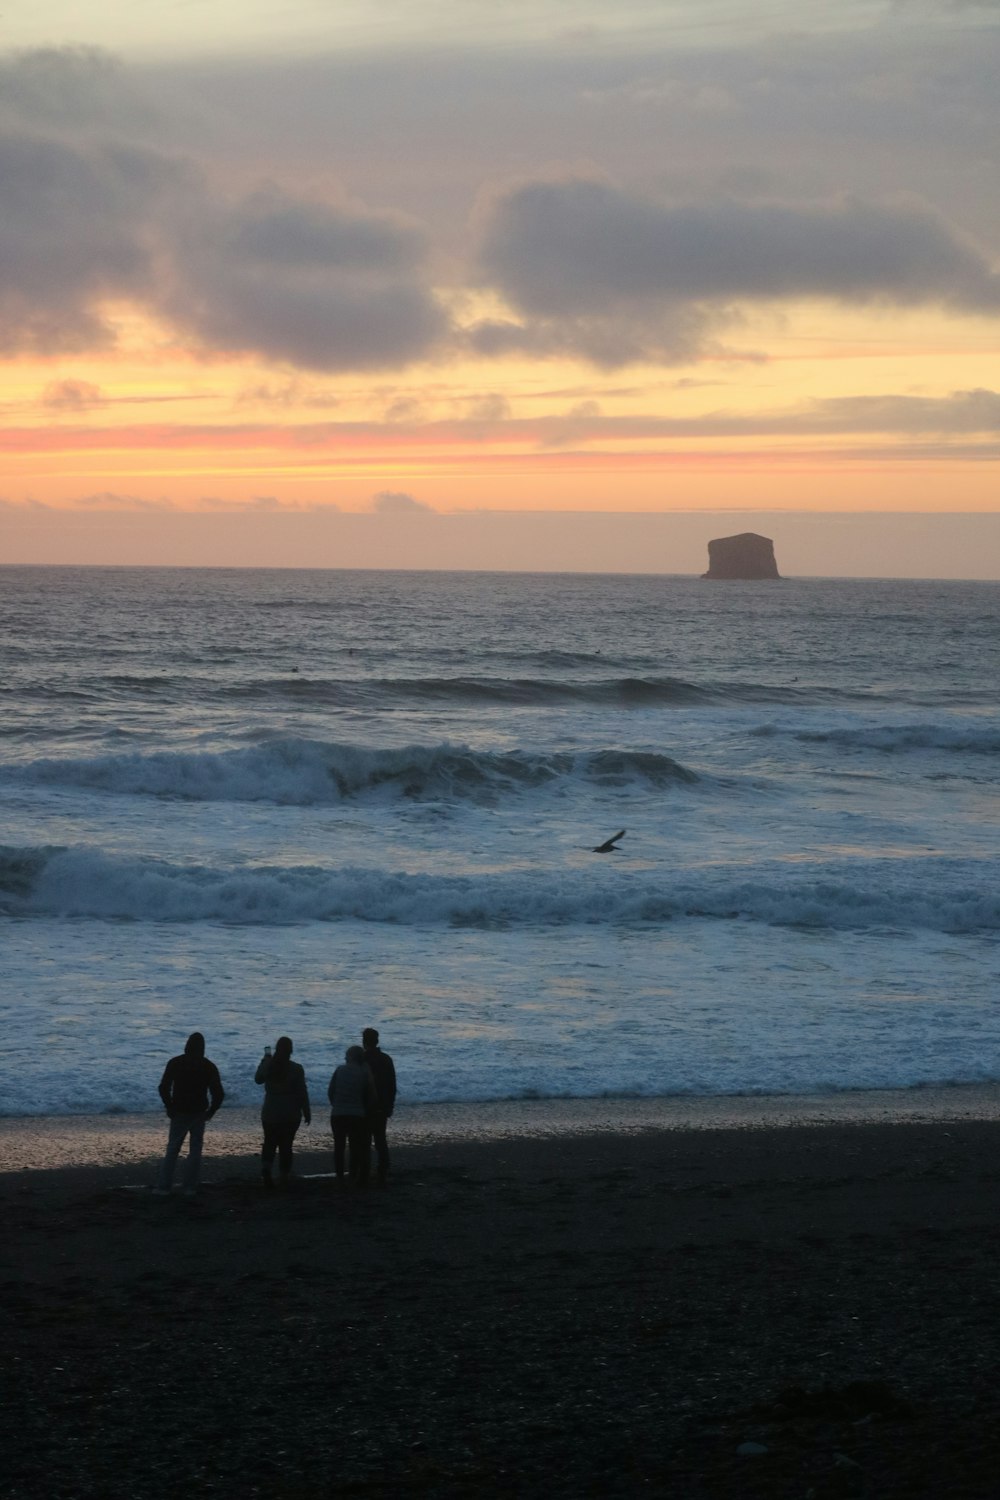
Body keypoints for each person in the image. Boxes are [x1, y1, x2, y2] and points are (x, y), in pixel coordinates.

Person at [155, 1032, 225, 1196]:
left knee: (173, 1148)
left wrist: (169, 1106)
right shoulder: (208, 1066)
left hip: (179, 1110)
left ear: (187, 1045)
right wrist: (212, 1111)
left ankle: (164, 1186)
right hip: (199, 1111)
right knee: (195, 1149)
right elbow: (218, 1093)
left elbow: (163, 1087)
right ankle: (189, 1186)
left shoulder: (175, 1062)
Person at [255, 1035, 311, 1189]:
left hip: (271, 1111)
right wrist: (306, 1110)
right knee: (286, 1145)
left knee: (269, 1142)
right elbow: (302, 1092)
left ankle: (266, 1170)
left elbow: (257, 1079)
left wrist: (264, 1061)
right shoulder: (296, 1068)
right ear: (291, 1050)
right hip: (290, 1112)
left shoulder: (269, 1065)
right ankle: (284, 1177)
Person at [327, 1045, 377, 1185]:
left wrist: (337, 1105)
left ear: (351, 1057)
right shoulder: (364, 1072)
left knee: (339, 1147)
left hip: (338, 1114)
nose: (344, 1057)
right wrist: (365, 1109)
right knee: (355, 1145)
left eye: (347, 1055)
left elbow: (331, 1091)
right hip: (357, 1114)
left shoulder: (339, 1070)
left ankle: (339, 1176)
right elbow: (372, 1095)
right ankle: (353, 1174)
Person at [362, 1027, 397, 1184]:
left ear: (364, 1042)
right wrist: (390, 1105)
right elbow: (392, 1085)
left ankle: (365, 1170)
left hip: (365, 1105)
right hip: (382, 1104)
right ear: (377, 1041)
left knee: (364, 1139)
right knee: (380, 1138)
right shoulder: (386, 1059)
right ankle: (383, 1169)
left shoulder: (361, 1059)